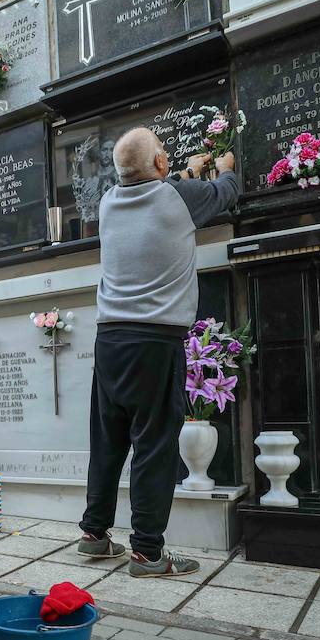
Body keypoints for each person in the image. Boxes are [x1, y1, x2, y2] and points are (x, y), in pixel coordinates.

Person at [76, 128, 239, 577]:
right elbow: (225, 193)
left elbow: (156, 186)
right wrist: (222, 169)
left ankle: (94, 533)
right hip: (155, 341)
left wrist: (186, 171)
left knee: (108, 440)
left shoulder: (109, 201)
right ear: (162, 166)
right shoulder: (180, 198)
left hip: (109, 339)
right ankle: (148, 551)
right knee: (153, 446)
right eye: (165, 157)